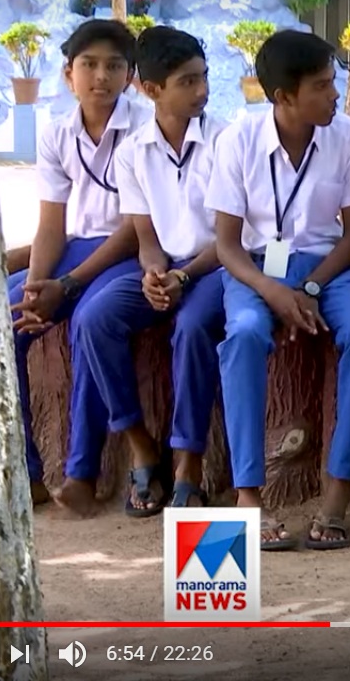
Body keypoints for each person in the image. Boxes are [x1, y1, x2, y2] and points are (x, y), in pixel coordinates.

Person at [205, 30, 350, 551]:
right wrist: (272, 291)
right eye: (322, 86)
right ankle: (249, 494)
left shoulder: (347, 136)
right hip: (256, 267)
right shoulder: (238, 140)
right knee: (244, 334)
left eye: (333, 82)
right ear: (284, 96)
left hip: (328, 269)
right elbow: (226, 245)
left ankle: (337, 492)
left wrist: (309, 286)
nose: (335, 95)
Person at [65, 27, 228, 517]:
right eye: (187, 81)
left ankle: (188, 462)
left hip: (218, 265)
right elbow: (147, 238)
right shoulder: (133, 151)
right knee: (94, 319)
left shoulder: (225, 140)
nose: (201, 90)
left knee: (193, 326)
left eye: (203, 77)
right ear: (151, 89)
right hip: (169, 269)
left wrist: (183, 278)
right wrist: (156, 274)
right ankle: (138, 443)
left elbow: (231, 238)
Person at [7, 19, 152, 506]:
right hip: (75, 249)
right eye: (88, 64)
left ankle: (81, 474)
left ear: (129, 76)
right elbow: (51, 225)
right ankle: (27, 473)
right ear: (69, 74)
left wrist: (68, 284)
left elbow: (134, 229)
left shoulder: (145, 128)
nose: (101, 76)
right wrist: (35, 286)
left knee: (91, 318)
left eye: (114, 66)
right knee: (7, 318)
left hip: (130, 252)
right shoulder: (58, 134)